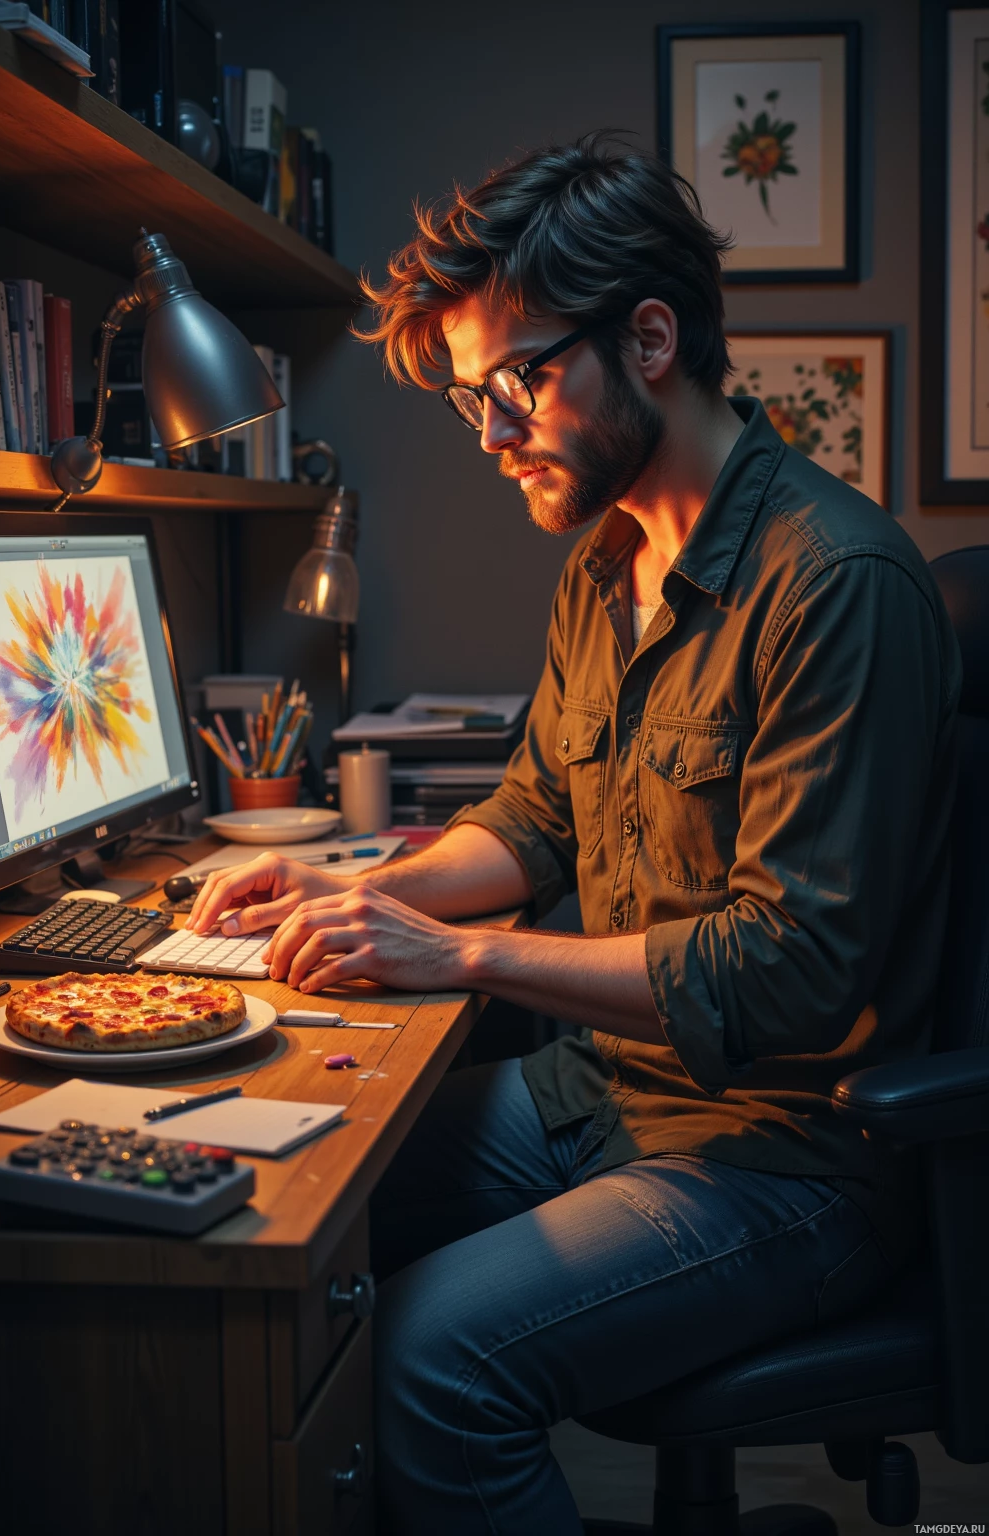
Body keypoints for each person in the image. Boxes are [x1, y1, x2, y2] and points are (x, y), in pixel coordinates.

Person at [188, 133, 961, 1534]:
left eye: (518, 381)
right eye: (475, 398)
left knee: (430, 1364)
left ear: (648, 338)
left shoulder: (836, 583)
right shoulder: (607, 564)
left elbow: (785, 968)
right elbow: (538, 819)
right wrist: (356, 893)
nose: (490, 435)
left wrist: (463, 961)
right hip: (604, 1099)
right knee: (272, 1198)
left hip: (786, 1160)